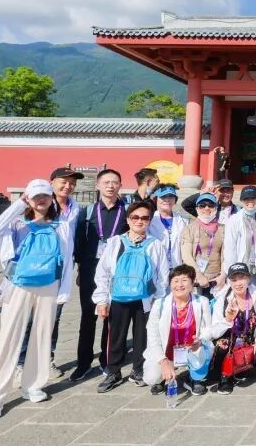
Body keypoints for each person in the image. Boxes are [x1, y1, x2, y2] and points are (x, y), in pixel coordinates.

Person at [0, 179, 74, 420]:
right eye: (35, 196)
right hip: (17, 285)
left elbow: (67, 259)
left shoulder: (61, 226)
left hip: (49, 285)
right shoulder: (15, 223)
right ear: (27, 199)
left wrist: (64, 291)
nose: (41, 200)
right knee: (9, 338)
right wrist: (16, 206)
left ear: (51, 198)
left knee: (42, 336)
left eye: (45, 195)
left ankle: (33, 384)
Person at [93, 200, 170, 393]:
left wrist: (158, 300)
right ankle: (113, 371)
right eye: (135, 217)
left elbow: (162, 276)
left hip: (145, 299)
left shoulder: (156, 245)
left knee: (142, 337)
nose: (139, 221)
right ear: (128, 219)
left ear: (149, 221)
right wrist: (101, 299)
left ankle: (138, 370)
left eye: (144, 218)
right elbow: (102, 272)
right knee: (115, 337)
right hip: (118, 297)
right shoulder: (115, 242)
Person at [16, 166, 82, 381]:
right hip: (35, 271)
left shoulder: (75, 208)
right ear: (51, 182)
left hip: (60, 272)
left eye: (72, 183)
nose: (68, 186)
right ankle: (21, 363)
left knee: (53, 318)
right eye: (63, 182)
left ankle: (47, 358)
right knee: (29, 319)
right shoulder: (40, 203)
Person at [71, 168, 127, 382]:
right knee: (88, 316)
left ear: (120, 186)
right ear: (98, 185)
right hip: (90, 270)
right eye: (106, 182)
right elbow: (79, 242)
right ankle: (83, 363)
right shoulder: (87, 212)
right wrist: (79, 269)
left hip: (117, 271)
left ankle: (107, 360)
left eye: (115, 182)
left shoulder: (127, 212)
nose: (111, 186)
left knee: (112, 318)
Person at [143, 264, 213, 395]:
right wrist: (162, 361)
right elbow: (152, 335)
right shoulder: (159, 304)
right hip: (167, 351)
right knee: (151, 377)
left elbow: (208, 330)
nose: (179, 285)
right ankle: (162, 376)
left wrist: (199, 341)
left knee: (204, 349)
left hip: (191, 349)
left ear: (192, 283)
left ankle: (196, 378)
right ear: (170, 284)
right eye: (175, 281)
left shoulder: (202, 302)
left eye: (184, 280)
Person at [209, 262, 256, 393]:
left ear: (248, 278)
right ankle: (225, 376)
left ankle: (241, 369)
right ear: (229, 281)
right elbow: (214, 332)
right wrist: (227, 320)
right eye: (234, 280)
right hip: (228, 342)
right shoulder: (222, 300)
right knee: (222, 345)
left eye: (241, 278)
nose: (238, 283)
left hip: (249, 343)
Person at [180, 192, 226, 299]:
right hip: (195, 279)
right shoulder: (189, 229)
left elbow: (227, 254)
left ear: (216, 208)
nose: (206, 208)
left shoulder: (223, 229)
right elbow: (186, 255)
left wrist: (223, 275)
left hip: (217, 279)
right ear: (197, 209)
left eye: (211, 205)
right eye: (202, 205)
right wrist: (198, 275)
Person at [221, 185, 256, 284]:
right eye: (246, 199)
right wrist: (232, 272)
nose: (250, 201)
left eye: (253, 198)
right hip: (241, 268)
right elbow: (230, 248)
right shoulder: (234, 220)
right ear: (241, 201)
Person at [148, 185, 188, 268]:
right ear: (156, 199)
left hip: (177, 267)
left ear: (175, 200)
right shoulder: (149, 220)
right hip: (155, 266)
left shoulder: (184, 221)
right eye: (163, 197)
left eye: (171, 196)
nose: (167, 200)